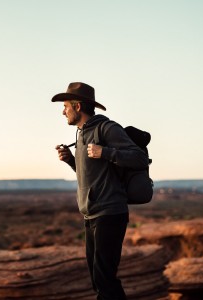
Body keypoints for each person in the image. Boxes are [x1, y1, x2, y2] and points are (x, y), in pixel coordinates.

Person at [52, 82, 149, 300]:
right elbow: (92, 173)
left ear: (78, 106)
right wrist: (70, 161)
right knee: (98, 279)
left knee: (105, 278)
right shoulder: (80, 134)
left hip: (110, 212)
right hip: (91, 215)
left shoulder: (106, 128)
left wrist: (105, 152)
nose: (63, 111)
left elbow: (139, 158)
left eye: (66, 106)